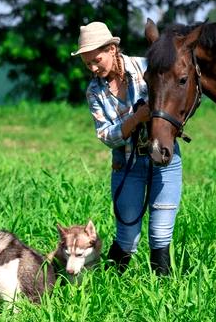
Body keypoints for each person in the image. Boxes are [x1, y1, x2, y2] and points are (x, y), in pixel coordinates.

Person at [71, 21, 183, 276]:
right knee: (128, 235)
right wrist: (135, 119)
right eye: (87, 63)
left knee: (160, 233)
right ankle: (109, 289)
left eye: (96, 59)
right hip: (126, 165)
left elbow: (177, 99)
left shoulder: (148, 68)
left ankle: (163, 295)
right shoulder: (94, 92)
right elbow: (106, 136)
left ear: (112, 49)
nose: (93, 67)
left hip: (163, 159)